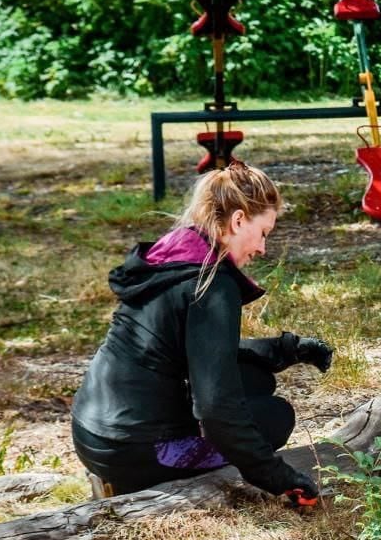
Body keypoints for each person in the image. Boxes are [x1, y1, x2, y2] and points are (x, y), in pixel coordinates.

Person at [71, 162, 333, 500]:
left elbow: (201, 351)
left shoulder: (175, 254)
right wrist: (278, 477)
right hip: (134, 453)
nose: (263, 248)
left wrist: (289, 349)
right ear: (238, 220)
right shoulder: (213, 285)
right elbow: (216, 411)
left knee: (257, 379)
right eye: (264, 233)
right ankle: (130, 487)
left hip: (93, 432)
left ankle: (117, 474)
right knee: (274, 416)